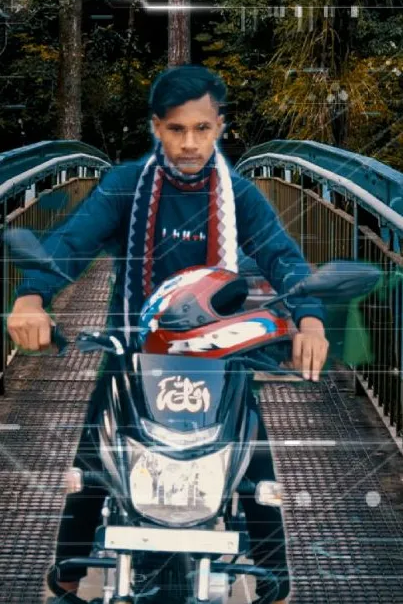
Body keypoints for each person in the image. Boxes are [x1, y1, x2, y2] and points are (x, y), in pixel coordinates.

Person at [7, 65, 329, 603]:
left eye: (202, 129)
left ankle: (277, 589)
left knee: (259, 477)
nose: (189, 143)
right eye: (176, 129)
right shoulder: (125, 186)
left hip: (220, 355)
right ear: (156, 127)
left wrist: (311, 318)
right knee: (89, 469)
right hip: (136, 353)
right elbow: (70, 242)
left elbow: (282, 257)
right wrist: (31, 296)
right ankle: (65, 584)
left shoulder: (240, 195)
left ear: (220, 126)